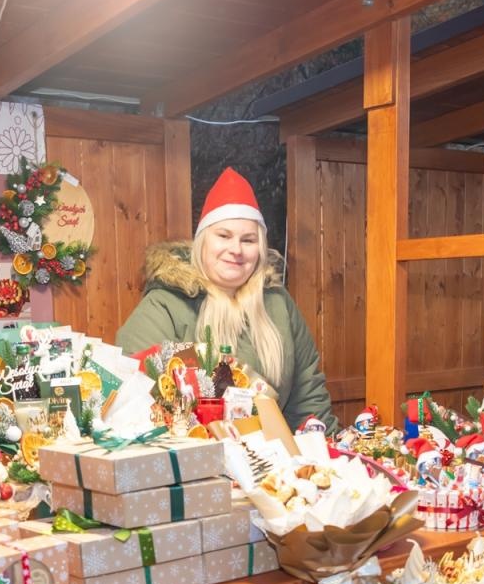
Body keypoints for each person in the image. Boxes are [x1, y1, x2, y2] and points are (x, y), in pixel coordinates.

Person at [116, 167, 335, 430]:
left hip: (272, 464)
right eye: (224, 236)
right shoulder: (164, 305)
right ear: (202, 241)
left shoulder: (278, 304)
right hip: (197, 463)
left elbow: (307, 394)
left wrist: (324, 453)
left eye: (248, 239)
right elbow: (139, 397)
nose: (236, 250)